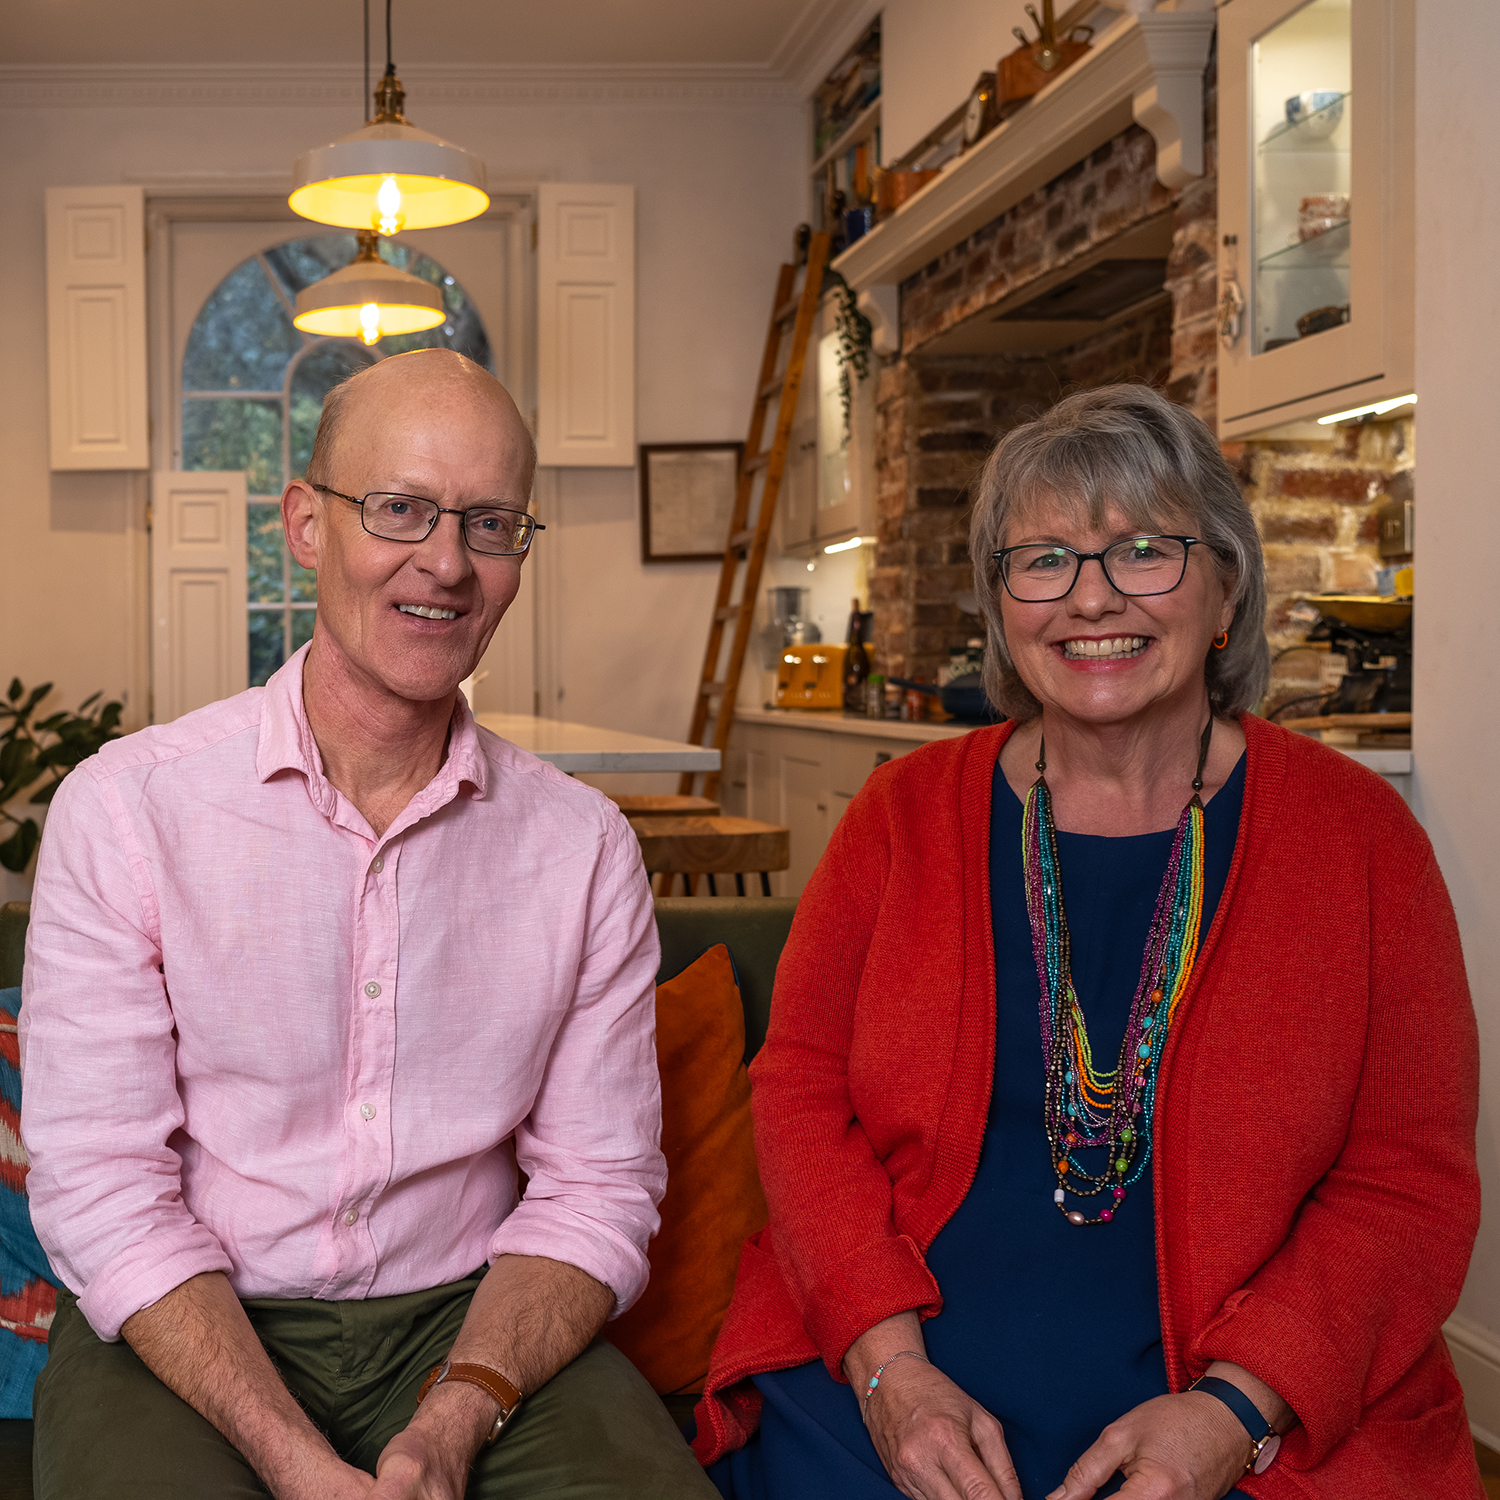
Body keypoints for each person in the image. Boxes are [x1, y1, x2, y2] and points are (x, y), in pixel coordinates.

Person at [693, 385, 1483, 1500]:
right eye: (1044, 560)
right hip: (898, 1353)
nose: (1091, 599)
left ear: (1225, 591)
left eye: (1143, 551)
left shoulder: (1363, 842)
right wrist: (887, 1369)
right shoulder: (900, 817)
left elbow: (1409, 1185)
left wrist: (1233, 1411)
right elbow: (801, 1090)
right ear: (1004, 607)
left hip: (1240, 1385)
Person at [20, 349, 716, 1500]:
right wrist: (297, 1464)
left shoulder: (583, 847)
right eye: (399, 508)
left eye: (491, 524)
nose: (446, 563)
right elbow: (101, 1184)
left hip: (477, 1323)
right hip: (188, 1322)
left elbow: (598, 1187)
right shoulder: (129, 810)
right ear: (305, 524)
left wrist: (456, 1417)